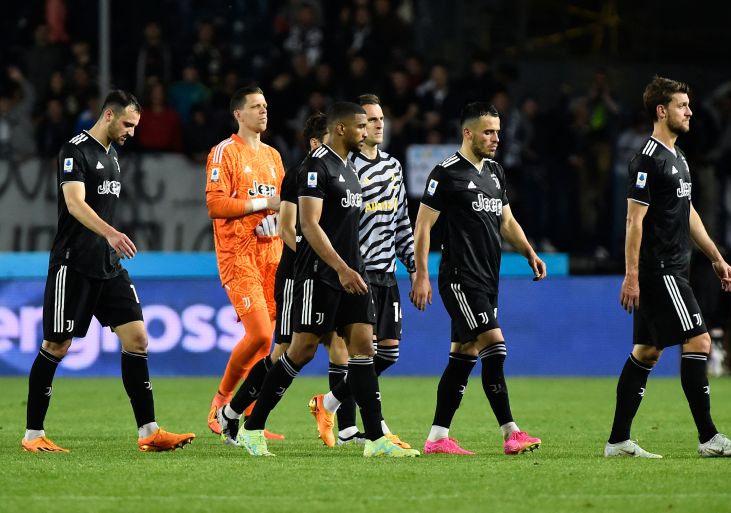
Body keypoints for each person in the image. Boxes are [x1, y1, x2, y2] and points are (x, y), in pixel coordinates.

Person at [228, 101, 419, 457]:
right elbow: (308, 225)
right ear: (342, 128)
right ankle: (252, 428)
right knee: (299, 351)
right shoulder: (316, 167)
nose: (367, 132)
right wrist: (342, 268)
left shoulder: (349, 169)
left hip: (353, 275)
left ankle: (376, 440)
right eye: (361, 126)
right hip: (321, 276)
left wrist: (354, 268)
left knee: (364, 349)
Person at [21, 90, 195, 453]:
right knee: (56, 345)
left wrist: (109, 242)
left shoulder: (113, 155)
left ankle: (149, 431)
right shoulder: (75, 150)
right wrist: (112, 233)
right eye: (128, 124)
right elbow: (74, 203)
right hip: (74, 264)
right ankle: (33, 435)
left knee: (138, 338)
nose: (132, 132)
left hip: (108, 265)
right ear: (109, 116)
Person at [605, 76, 731, 459]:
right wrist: (631, 275)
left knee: (646, 352)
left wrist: (716, 257)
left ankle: (618, 441)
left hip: (674, 267)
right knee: (700, 341)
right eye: (682, 106)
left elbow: (687, 212)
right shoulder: (648, 159)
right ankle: (709, 438)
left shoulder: (678, 157)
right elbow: (633, 221)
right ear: (661, 110)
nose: (690, 112)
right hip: (661, 269)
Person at [410, 102, 546, 456]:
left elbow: (506, 221)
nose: (496, 138)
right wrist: (421, 274)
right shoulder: (446, 173)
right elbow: (423, 226)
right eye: (488, 132)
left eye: (497, 132)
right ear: (468, 133)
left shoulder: (495, 172)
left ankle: (437, 437)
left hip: (488, 279)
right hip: (460, 278)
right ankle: (511, 432)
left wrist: (529, 252)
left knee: (464, 354)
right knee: (494, 347)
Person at [214, 113, 349, 445]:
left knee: (342, 345)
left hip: (327, 275)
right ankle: (234, 413)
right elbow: (289, 228)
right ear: (317, 142)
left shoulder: (339, 174)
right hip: (297, 276)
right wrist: (313, 256)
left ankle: (346, 426)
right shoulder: (301, 174)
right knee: (285, 351)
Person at [309, 94, 415, 448]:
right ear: (356, 127)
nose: (379, 124)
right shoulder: (345, 167)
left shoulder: (393, 166)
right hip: (358, 271)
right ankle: (367, 428)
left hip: (388, 271)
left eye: (381, 118)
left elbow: (402, 220)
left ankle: (328, 402)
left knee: (388, 353)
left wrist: (415, 267)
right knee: (361, 351)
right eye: (370, 119)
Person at [205, 85, 285, 440]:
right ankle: (221, 402)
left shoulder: (274, 156)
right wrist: (263, 205)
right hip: (238, 256)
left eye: (265, 105)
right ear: (238, 114)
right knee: (261, 334)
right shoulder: (225, 152)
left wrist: (278, 220)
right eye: (255, 106)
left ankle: (249, 420)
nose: (263, 111)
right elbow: (216, 205)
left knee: (267, 345)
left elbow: (283, 204)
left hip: (272, 255)